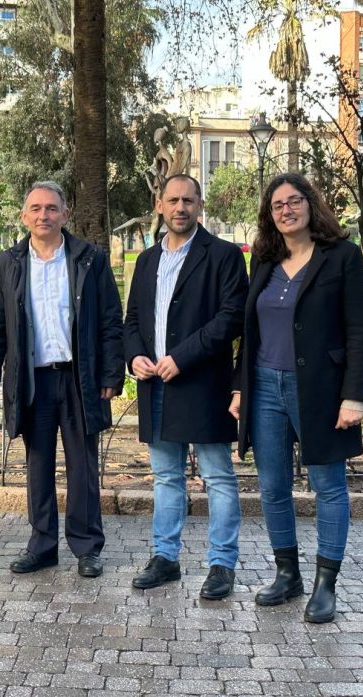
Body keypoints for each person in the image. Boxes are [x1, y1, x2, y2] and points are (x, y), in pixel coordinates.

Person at [230, 172, 363, 623]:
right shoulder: (265, 262)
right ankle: (286, 574)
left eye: (294, 201)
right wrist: (240, 385)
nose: (286, 210)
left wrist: (354, 396)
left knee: (328, 486)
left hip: (322, 392)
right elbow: (249, 333)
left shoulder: (342, 258)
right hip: (265, 385)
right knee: (272, 488)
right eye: (277, 206)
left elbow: (357, 332)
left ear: (311, 206)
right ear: (269, 216)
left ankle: (325, 585)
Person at [0, 181, 124, 577]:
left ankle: (87, 546)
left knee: (83, 465)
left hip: (80, 379)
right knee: (38, 464)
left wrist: (112, 373)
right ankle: (42, 545)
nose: (43, 215)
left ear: (65, 214)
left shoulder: (89, 259)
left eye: (51, 208)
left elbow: (111, 319)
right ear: (24, 216)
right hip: (32, 381)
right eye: (35, 208)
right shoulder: (7, 264)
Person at [124, 174, 248, 599]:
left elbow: (232, 317)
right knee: (165, 476)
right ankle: (166, 558)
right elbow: (133, 322)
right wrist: (134, 356)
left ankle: (221, 565)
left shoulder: (225, 256)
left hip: (204, 383)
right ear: (159, 204)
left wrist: (184, 356)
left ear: (200, 206)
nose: (181, 208)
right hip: (155, 384)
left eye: (189, 201)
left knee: (218, 476)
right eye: (173, 200)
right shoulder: (145, 261)